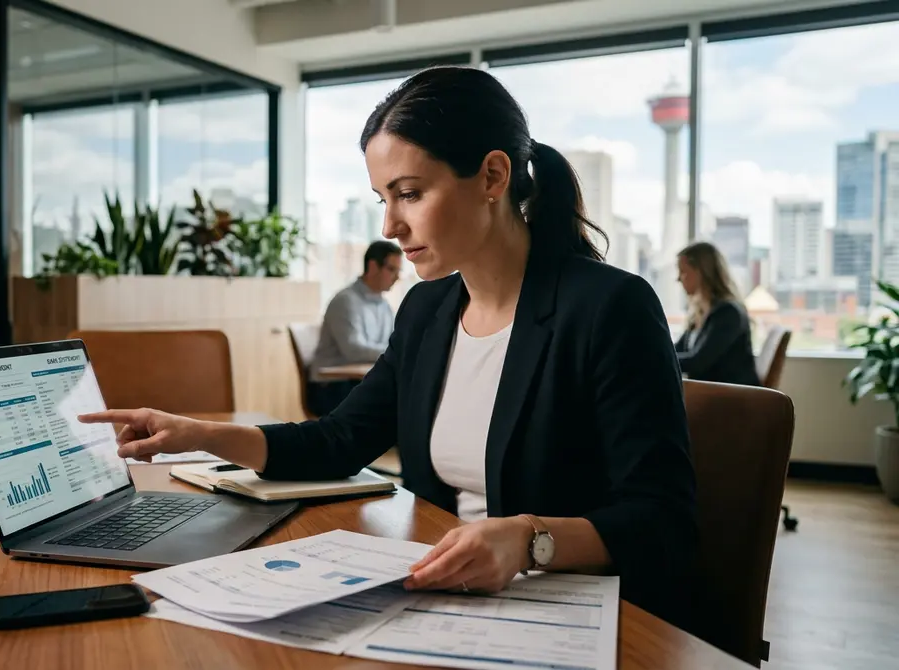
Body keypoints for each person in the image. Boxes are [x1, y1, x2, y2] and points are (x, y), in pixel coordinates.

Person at [79, 66, 697, 630]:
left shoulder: (610, 307)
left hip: (568, 609)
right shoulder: (428, 311)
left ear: (492, 176)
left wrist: (529, 538)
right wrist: (199, 434)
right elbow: (339, 441)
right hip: (445, 597)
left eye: (409, 194)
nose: (389, 227)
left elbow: (662, 517)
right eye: (383, 199)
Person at [307, 240, 402, 415]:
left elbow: (392, 343)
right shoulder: (346, 301)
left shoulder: (384, 306)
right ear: (373, 267)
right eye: (391, 269)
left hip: (359, 382)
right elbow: (354, 351)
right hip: (330, 388)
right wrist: (398, 353)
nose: (397, 277)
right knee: (396, 408)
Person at [675, 241, 759, 385]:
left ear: (701, 272)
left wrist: (653, 360)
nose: (678, 279)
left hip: (729, 397)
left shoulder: (728, 313)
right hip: (712, 392)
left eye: (683, 272)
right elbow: (676, 350)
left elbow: (697, 362)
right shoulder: (699, 313)